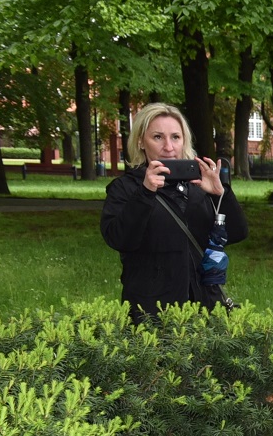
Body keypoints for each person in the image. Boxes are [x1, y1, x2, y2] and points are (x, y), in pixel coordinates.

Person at [100, 101, 247, 320]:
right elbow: (119, 239)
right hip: (153, 311)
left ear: (184, 141)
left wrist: (220, 194)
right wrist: (146, 193)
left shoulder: (198, 187)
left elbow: (236, 233)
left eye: (175, 137)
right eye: (158, 137)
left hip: (205, 307)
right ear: (141, 141)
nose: (168, 146)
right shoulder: (126, 188)